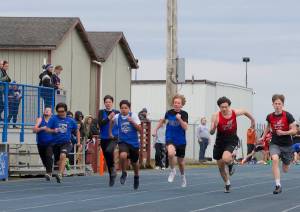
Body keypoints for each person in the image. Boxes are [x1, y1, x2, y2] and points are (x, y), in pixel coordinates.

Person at [210, 96, 255, 193]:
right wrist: (214, 127)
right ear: (219, 107)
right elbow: (211, 132)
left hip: (231, 139)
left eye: (226, 107)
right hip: (219, 142)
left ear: (229, 106)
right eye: (222, 107)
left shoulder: (234, 112)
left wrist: (252, 120)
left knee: (226, 158)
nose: (224, 109)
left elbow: (245, 111)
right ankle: (227, 183)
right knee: (221, 167)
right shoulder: (215, 116)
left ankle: (231, 164)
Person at [260, 94, 297, 194]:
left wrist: (284, 132)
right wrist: (262, 137)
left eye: (279, 104)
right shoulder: (270, 116)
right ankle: (278, 185)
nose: (277, 105)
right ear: (272, 104)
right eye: (275, 103)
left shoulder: (288, 116)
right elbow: (268, 127)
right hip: (275, 143)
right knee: (275, 159)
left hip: (287, 144)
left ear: (283, 104)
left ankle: (286, 162)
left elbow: (294, 130)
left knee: (285, 169)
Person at [154, 94, 188, 188]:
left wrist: (180, 119)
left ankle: (183, 177)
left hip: (181, 140)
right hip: (170, 138)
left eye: (178, 103)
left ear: (182, 105)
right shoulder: (168, 112)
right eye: (175, 102)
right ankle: (173, 170)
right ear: (173, 103)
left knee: (181, 163)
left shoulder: (184, 114)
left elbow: (185, 127)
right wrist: (155, 129)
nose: (176, 104)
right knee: (170, 153)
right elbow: (162, 121)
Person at [109, 100, 141, 190]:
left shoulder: (133, 116)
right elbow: (111, 122)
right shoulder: (117, 116)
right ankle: (124, 173)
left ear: (129, 108)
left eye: (125, 108)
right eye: (122, 108)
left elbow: (140, 129)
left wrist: (132, 122)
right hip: (123, 141)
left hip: (134, 143)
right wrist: (110, 132)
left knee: (135, 163)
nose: (123, 110)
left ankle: (136, 176)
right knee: (122, 156)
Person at [46, 103, 80, 183]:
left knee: (63, 155)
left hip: (66, 143)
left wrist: (78, 141)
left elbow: (77, 131)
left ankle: (60, 175)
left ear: (66, 111)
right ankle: (66, 162)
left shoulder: (71, 120)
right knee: (59, 161)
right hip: (55, 143)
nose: (60, 113)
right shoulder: (53, 119)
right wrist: (54, 130)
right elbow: (47, 129)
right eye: (58, 111)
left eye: (62, 111)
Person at [98, 95, 120, 187]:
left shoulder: (117, 112)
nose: (108, 103)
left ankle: (113, 170)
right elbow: (100, 123)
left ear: (112, 103)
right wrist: (108, 117)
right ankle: (112, 175)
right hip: (104, 137)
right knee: (107, 157)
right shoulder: (101, 112)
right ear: (104, 103)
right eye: (106, 102)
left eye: (109, 102)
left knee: (109, 151)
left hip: (113, 137)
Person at [33, 107, 53, 181]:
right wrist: (42, 128)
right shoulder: (40, 119)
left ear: (51, 113)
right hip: (40, 143)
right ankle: (48, 169)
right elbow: (34, 130)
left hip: (50, 142)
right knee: (44, 159)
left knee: (48, 155)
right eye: (45, 110)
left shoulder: (53, 120)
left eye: (48, 110)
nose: (46, 111)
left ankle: (49, 173)